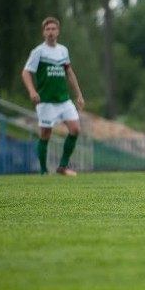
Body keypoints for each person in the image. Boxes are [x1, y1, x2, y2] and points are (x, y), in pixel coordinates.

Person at [21, 16, 85, 176]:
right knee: (45, 134)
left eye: (53, 29)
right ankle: (43, 171)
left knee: (76, 129)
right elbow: (26, 72)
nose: (51, 32)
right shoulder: (38, 52)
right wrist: (32, 91)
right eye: (48, 29)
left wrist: (78, 94)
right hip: (46, 101)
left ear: (58, 31)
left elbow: (69, 72)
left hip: (63, 100)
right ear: (44, 32)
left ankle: (62, 166)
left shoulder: (63, 50)